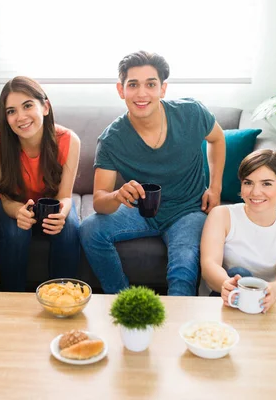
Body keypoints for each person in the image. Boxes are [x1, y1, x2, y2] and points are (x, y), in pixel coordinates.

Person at [79, 51, 226, 296]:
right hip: (141, 210)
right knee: (89, 229)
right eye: (133, 85)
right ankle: (123, 300)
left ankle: (176, 327)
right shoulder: (111, 139)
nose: (142, 93)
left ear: (163, 89)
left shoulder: (191, 113)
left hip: (188, 210)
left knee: (183, 271)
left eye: (151, 84)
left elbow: (218, 139)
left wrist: (215, 187)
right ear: (121, 90)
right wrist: (117, 196)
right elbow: (99, 201)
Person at [200, 149, 276, 337]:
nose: (255, 192)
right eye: (248, 183)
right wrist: (226, 284)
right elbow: (209, 265)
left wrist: (273, 290)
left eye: (266, 184)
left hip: (266, 303)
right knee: (241, 274)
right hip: (228, 298)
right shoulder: (222, 216)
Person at [0, 76, 81, 292]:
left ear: (45, 107)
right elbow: (7, 199)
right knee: (17, 232)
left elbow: (64, 196)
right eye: (11, 111)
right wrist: (20, 212)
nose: (21, 117)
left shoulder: (69, 140)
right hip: (8, 203)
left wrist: (60, 215)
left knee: (69, 229)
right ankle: (13, 300)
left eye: (27, 106)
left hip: (51, 201)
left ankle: (62, 296)